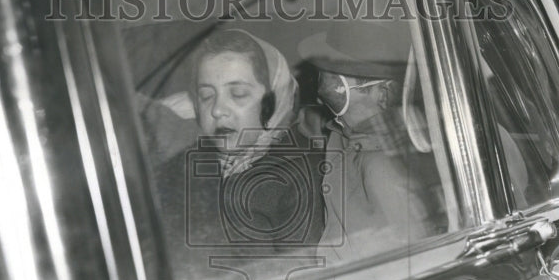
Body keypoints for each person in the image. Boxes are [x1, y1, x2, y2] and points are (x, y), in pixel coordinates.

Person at [157, 29, 324, 254]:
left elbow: (301, 279)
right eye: (206, 96)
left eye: (238, 94)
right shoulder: (185, 162)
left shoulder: (301, 176)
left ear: (273, 100)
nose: (217, 110)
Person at [301, 24, 445, 260]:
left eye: (336, 88)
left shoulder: (383, 168)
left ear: (383, 94)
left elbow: (406, 266)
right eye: (322, 81)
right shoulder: (342, 137)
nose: (320, 95)